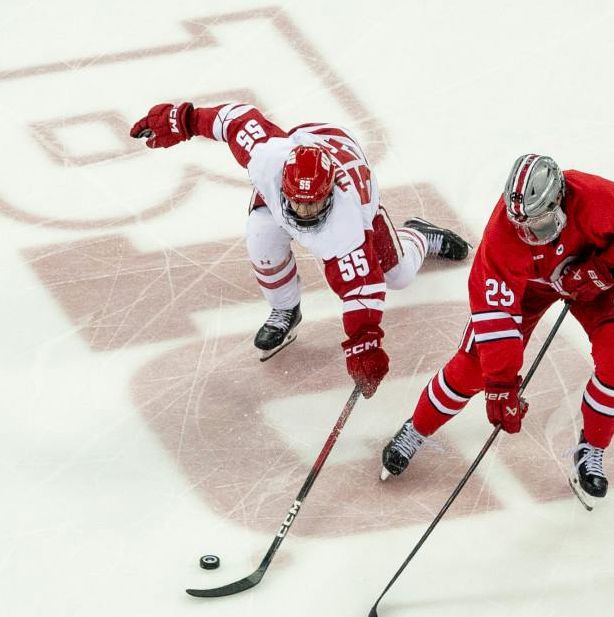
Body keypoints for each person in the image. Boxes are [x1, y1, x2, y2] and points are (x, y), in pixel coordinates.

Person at [377, 153, 614, 503]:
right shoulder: (502, 238)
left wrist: (603, 268)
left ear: (560, 198)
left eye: (539, 222)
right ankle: (416, 429)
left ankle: (591, 449)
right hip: (528, 289)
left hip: (593, 277)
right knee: (474, 369)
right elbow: (494, 318)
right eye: (521, 225)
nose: (529, 233)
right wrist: (502, 386)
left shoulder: (597, 198)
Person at [129, 100, 468, 396]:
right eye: (298, 203)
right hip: (309, 146)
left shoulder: (349, 227)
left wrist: (364, 347)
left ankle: (421, 235)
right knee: (261, 237)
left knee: (399, 277)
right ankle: (285, 310)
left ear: (330, 192)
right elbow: (234, 119)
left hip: (354, 182)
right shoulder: (268, 159)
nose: (305, 213)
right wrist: (182, 120)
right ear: (284, 184)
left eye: (313, 205)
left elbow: (362, 292)